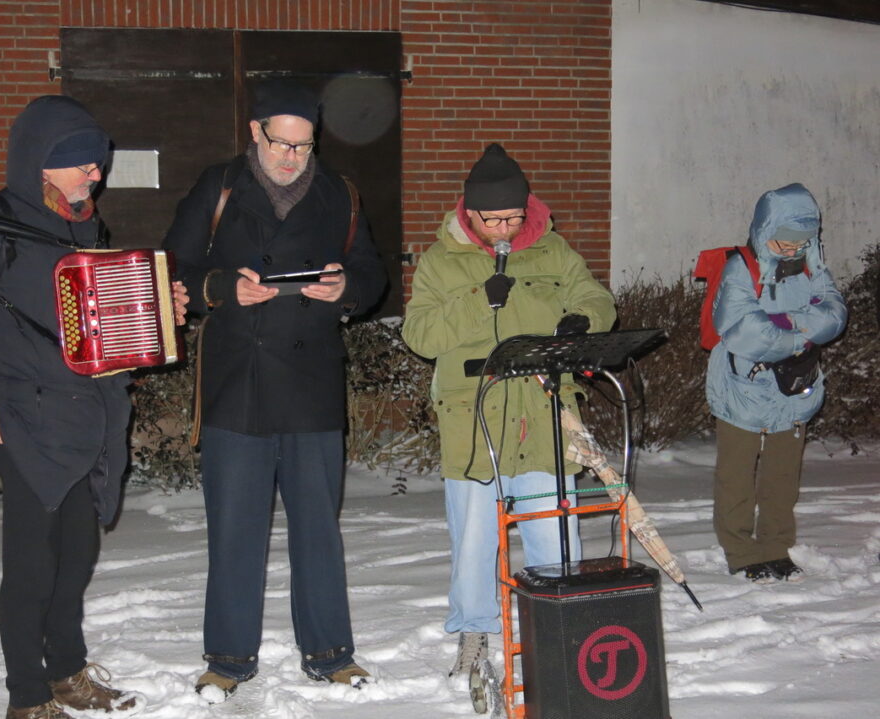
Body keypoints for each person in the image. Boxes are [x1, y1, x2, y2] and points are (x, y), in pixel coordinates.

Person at [0, 95, 188, 719]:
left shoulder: (85, 226)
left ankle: (66, 672)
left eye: (98, 162)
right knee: (34, 564)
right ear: (40, 165)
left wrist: (158, 313)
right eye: (83, 163)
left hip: (87, 416)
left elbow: (93, 329)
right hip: (23, 419)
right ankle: (27, 697)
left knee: (77, 555)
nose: (96, 174)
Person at [161, 80, 387, 702]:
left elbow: (371, 271)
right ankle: (228, 658)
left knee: (318, 525)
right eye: (281, 144)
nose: (292, 158)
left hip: (312, 377)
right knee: (234, 526)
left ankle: (331, 652)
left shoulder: (339, 192)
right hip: (238, 378)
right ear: (254, 133)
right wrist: (222, 290)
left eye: (305, 146)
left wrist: (348, 287)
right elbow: (172, 267)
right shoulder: (220, 186)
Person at [400, 143, 616, 689]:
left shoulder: (552, 250)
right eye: (493, 218)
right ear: (468, 212)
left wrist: (581, 319)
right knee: (475, 534)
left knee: (552, 528)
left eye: (513, 217)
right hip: (474, 419)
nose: (504, 228)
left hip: (542, 412)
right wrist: (479, 299)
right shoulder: (439, 259)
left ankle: (559, 622)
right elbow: (420, 334)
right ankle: (474, 630)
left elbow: (598, 298)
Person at [706, 182, 846, 583]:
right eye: (785, 241)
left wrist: (791, 327)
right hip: (743, 389)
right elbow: (745, 330)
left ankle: (775, 547)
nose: (792, 250)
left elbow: (835, 312)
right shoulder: (741, 268)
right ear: (766, 231)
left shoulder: (810, 262)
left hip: (793, 388)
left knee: (783, 475)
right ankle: (741, 550)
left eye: (802, 241)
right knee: (736, 475)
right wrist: (802, 331)